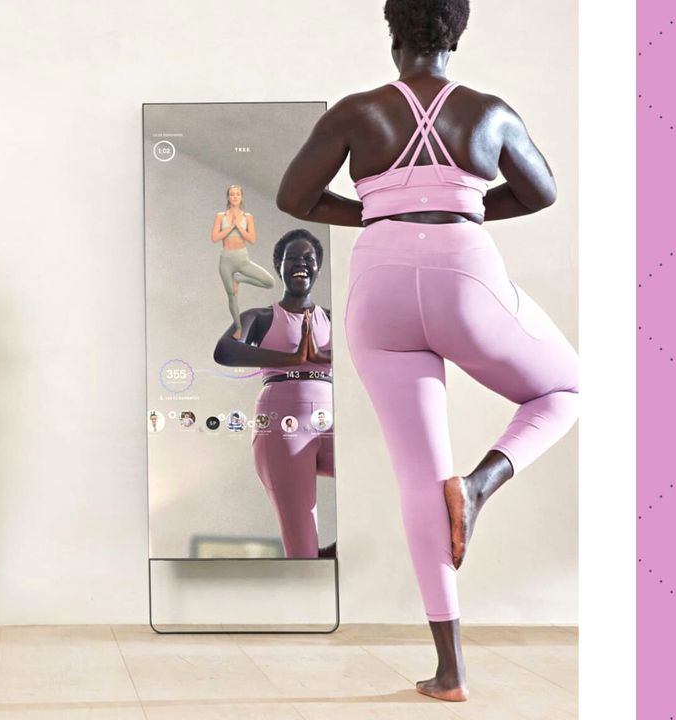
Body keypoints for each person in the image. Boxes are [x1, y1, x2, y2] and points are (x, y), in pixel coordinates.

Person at [275, 0, 579, 702]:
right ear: (458, 33)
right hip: (463, 270)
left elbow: (296, 195)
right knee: (565, 389)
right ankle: (480, 485)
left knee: (418, 475)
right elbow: (540, 192)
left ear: (391, 31)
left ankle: (450, 670)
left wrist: (377, 211)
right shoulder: (488, 113)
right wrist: (463, 207)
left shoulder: (356, 113)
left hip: (377, 280)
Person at [213, 229, 335, 558]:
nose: (300, 264)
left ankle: (341, 549)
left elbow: (366, 353)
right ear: (279, 266)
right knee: (302, 551)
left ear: (318, 268)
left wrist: (323, 358)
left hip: (332, 418)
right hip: (283, 421)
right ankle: (311, 558)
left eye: (308, 259)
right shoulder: (261, 317)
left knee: (385, 468)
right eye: (291, 258)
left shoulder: (332, 319)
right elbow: (224, 350)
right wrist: (291, 360)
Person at [211, 185, 276, 338]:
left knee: (270, 282)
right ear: (228, 197)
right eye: (232, 194)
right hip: (226, 261)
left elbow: (252, 239)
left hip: (243, 259)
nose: (234, 197)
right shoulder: (221, 216)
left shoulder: (248, 217)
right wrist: (231, 226)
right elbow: (214, 238)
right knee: (232, 295)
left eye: (237, 194)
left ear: (241, 197)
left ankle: (240, 279)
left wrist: (239, 226)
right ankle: (238, 327)